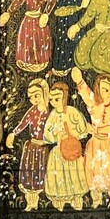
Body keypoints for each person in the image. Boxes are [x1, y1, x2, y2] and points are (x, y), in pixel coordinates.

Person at [72, 68, 110, 207]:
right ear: (98, 89)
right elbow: (86, 93)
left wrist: (103, 132)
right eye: (105, 90)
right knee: (94, 170)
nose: (109, 94)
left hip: (109, 144)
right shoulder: (94, 103)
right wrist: (79, 80)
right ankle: (96, 199)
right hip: (95, 145)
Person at [43, 81, 88, 210]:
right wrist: (56, 136)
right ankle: (60, 200)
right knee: (59, 175)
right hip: (59, 151)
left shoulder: (72, 112)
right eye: (51, 99)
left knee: (74, 174)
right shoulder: (52, 115)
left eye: (57, 98)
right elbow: (46, 135)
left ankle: (76, 199)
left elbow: (83, 129)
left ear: (64, 97)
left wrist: (73, 134)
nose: (54, 102)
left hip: (72, 149)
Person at [5, 78, 50, 210]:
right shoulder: (32, 111)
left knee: (42, 175)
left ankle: (39, 203)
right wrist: (13, 133)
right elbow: (23, 123)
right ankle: (30, 203)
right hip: (32, 147)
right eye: (31, 97)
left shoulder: (50, 111)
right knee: (30, 176)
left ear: (44, 93)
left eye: (36, 95)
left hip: (43, 148)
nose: (33, 99)